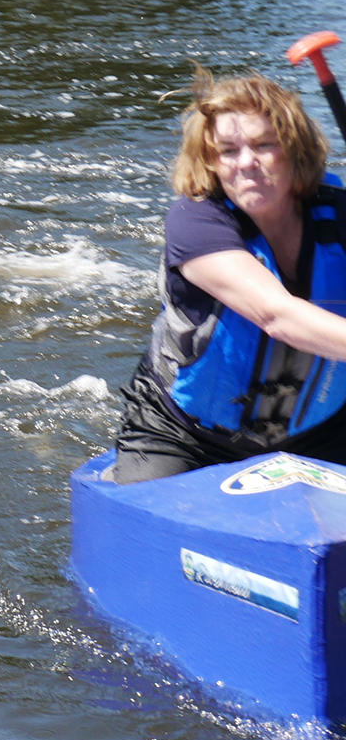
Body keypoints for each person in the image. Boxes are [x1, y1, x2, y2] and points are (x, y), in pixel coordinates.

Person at [113, 68, 346, 482]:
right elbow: (277, 316)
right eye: (228, 151)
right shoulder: (195, 221)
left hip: (320, 432)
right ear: (211, 162)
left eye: (263, 145)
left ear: (294, 150)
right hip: (186, 435)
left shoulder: (339, 215)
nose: (247, 164)